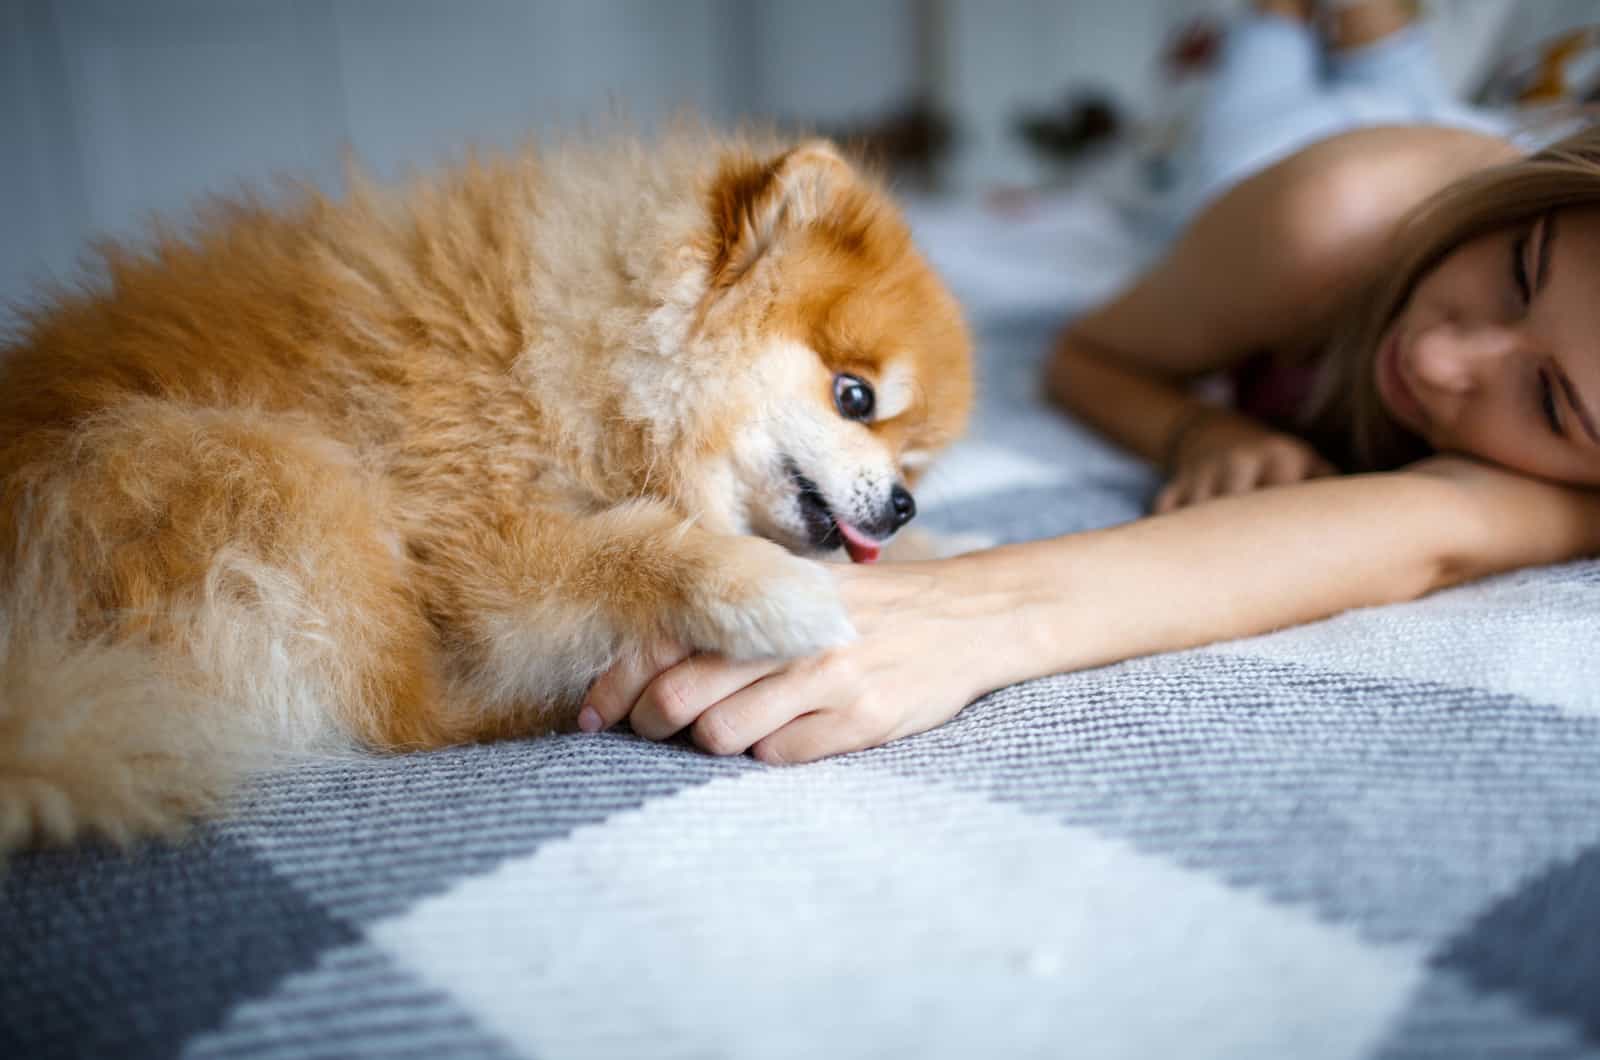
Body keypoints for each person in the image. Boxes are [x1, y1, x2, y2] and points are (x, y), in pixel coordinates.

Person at [575, 2, 1600, 763]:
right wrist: (1191, 433)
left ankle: (1387, 55)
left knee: (1389, 80)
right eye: (1520, 269)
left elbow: (1434, 527)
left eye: (1551, 402)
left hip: (1458, 153)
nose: (1436, 360)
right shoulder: (1328, 214)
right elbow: (1089, 356)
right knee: (1273, 75)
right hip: (1290, 164)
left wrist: (975, 622)